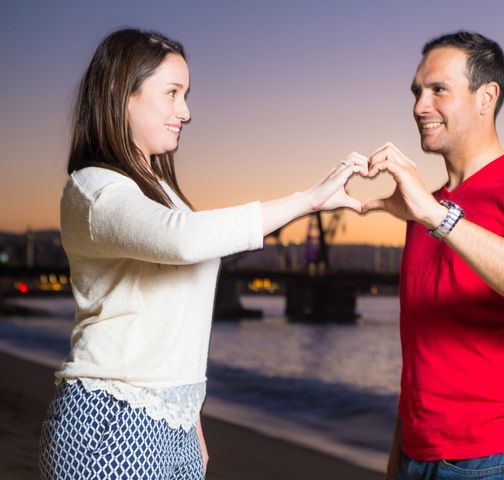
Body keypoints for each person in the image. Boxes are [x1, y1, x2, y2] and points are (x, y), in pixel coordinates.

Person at [39, 28, 367, 480]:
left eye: (186, 94)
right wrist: (307, 200)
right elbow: (186, 239)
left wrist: (188, 415)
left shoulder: (161, 193)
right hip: (111, 419)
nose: (186, 112)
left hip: (171, 422)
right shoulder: (94, 189)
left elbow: (177, 313)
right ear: (119, 91)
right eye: (172, 93)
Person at [362, 31, 504, 479]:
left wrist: (438, 217)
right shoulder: (426, 210)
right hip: (418, 460)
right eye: (417, 92)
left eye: (438, 90)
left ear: (487, 98)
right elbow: (424, 355)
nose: (419, 106)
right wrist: (399, 458)